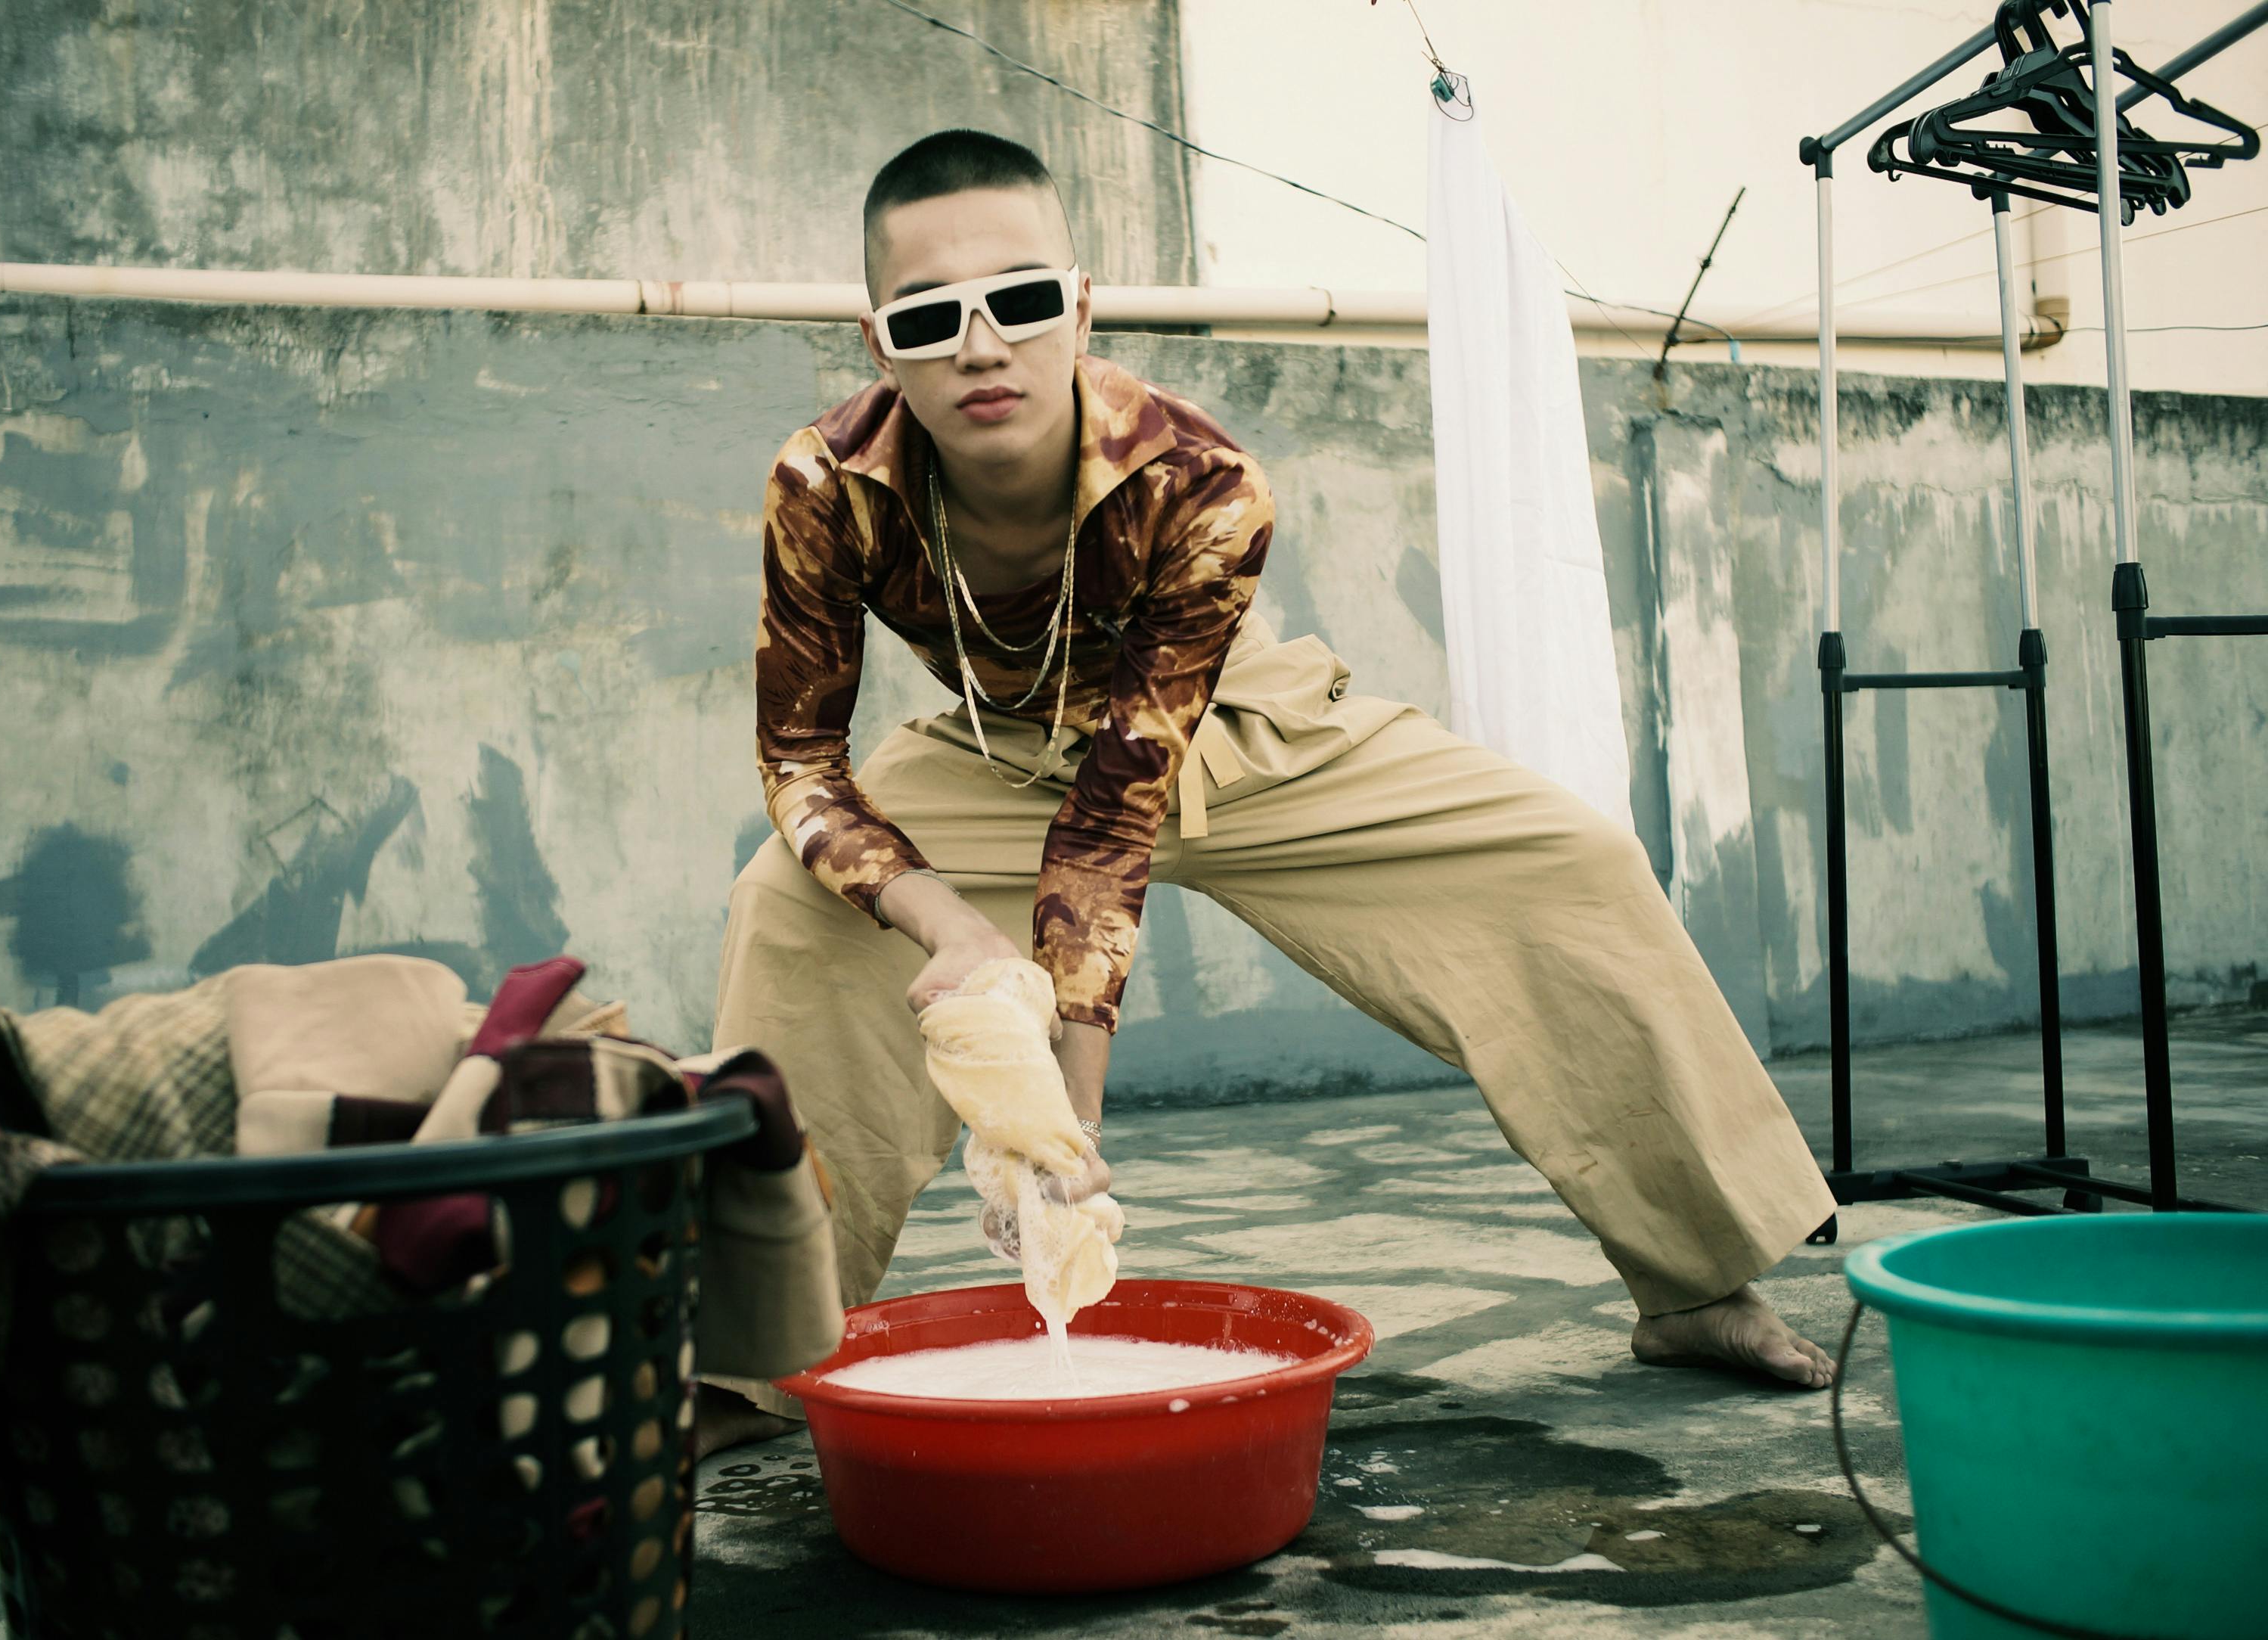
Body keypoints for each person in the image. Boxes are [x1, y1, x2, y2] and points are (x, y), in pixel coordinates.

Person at [697, 129, 1839, 1452]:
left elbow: (1119, 807)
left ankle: (1696, 1282)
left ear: (1076, 307)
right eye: (931, 315)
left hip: (1235, 729)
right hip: (998, 752)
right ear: (877, 338)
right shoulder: (824, 485)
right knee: (787, 909)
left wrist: (1065, 1125)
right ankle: (743, 1360)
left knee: (1567, 864)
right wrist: (947, 924)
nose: (980, 345)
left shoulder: (1203, 483)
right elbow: (801, 760)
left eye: (1018, 301)